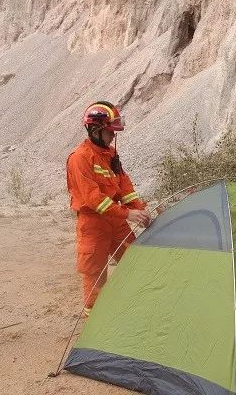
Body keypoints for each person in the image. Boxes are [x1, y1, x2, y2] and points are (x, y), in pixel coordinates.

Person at [66, 101, 151, 317]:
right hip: (93, 224)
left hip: (116, 222)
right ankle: (94, 323)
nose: (113, 136)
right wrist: (128, 214)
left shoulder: (110, 154)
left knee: (136, 260)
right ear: (95, 130)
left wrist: (141, 209)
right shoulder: (80, 158)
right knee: (94, 274)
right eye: (109, 132)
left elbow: (125, 187)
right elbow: (93, 199)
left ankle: (138, 307)